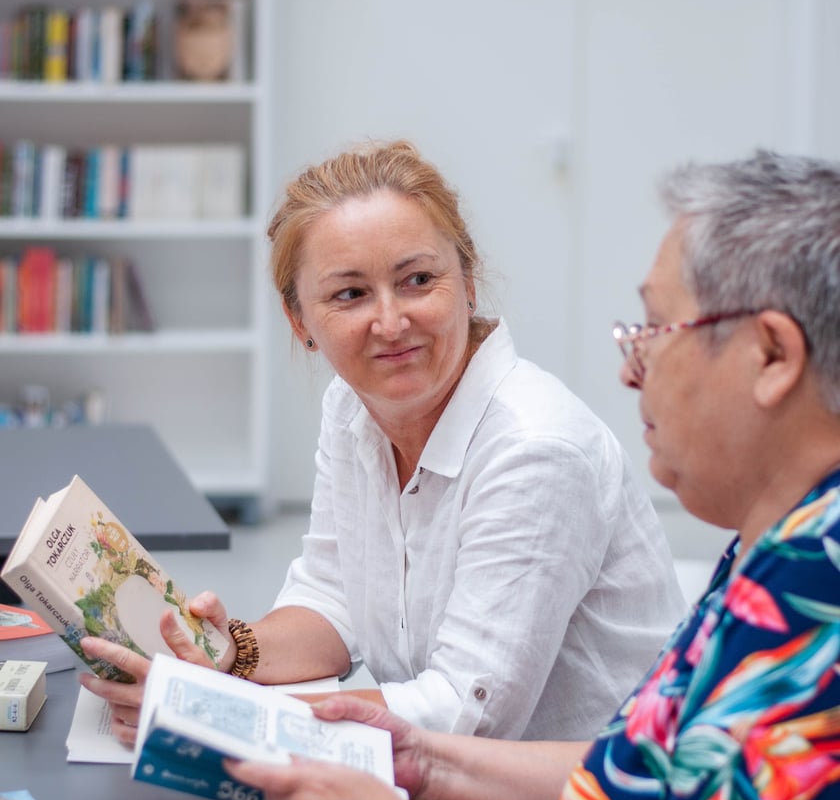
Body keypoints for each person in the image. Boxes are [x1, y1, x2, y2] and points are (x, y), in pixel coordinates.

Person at [214, 149, 840, 800]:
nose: (629, 365)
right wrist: (417, 756)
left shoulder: (813, 583)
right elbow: (643, 771)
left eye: (656, 329)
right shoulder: (776, 549)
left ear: (771, 355)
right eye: (349, 294)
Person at [80, 138, 683, 746]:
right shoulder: (352, 408)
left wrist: (222, 712)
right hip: (447, 794)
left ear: (467, 282)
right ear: (300, 322)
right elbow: (332, 598)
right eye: (350, 294)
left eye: (418, 280)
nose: (391, 323)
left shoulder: (536, 450)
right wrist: (224, 654)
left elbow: (466, 715)